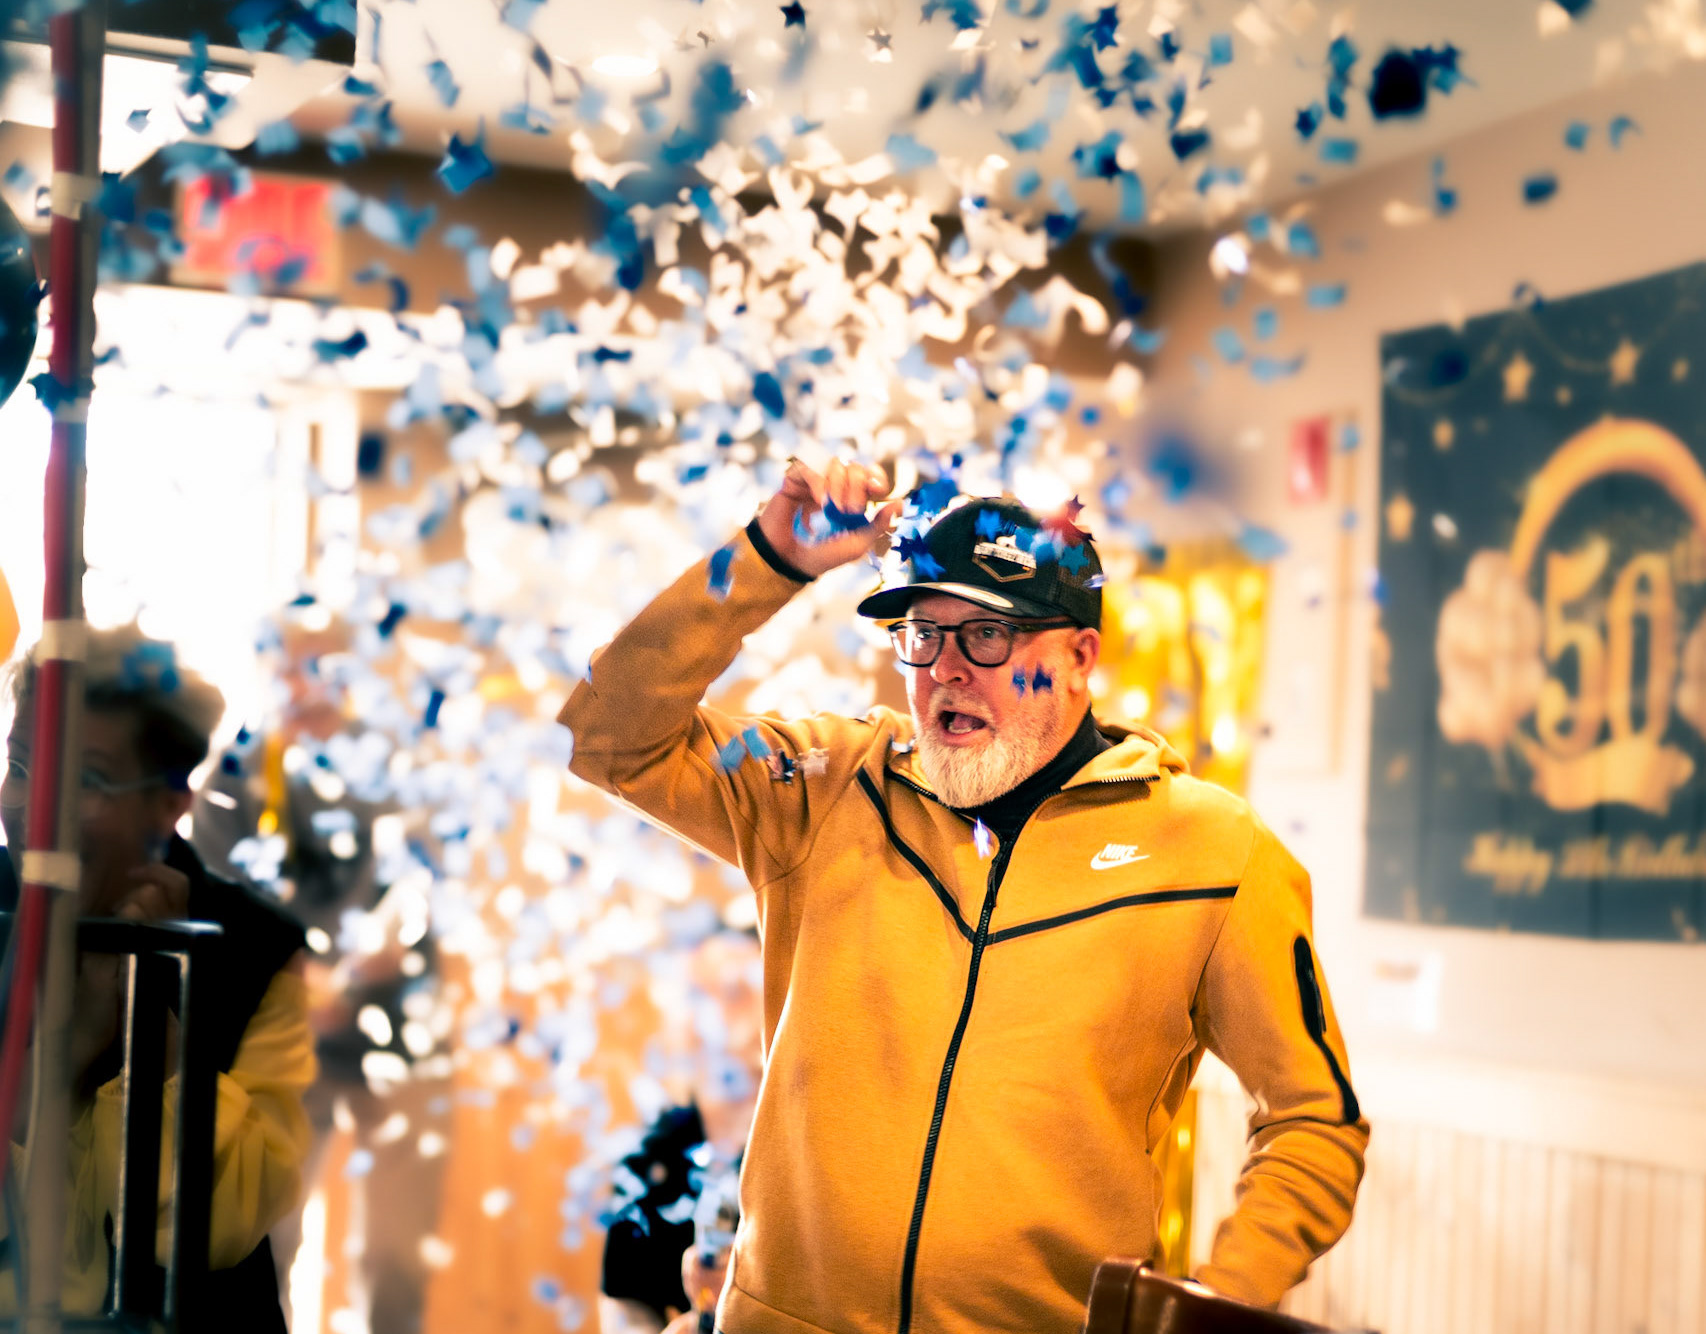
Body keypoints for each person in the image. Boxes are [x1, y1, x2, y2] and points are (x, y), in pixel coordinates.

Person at [560, 459, 1369, 1334]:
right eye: (922, 633)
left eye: (987, 635)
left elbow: (1313, 1121)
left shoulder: (1215, 853)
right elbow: (609, 736)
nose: (944, 668)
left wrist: (1217, 1307)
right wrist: (766, 559)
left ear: (1079, 657)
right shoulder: (827, 787)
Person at [0, 625, 314, 1330]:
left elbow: (215, 1230)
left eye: (86, 780)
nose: (35, 809)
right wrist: (71, 1053)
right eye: (20, 766)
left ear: (169, 805)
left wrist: (153, 1024)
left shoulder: (258, 952)